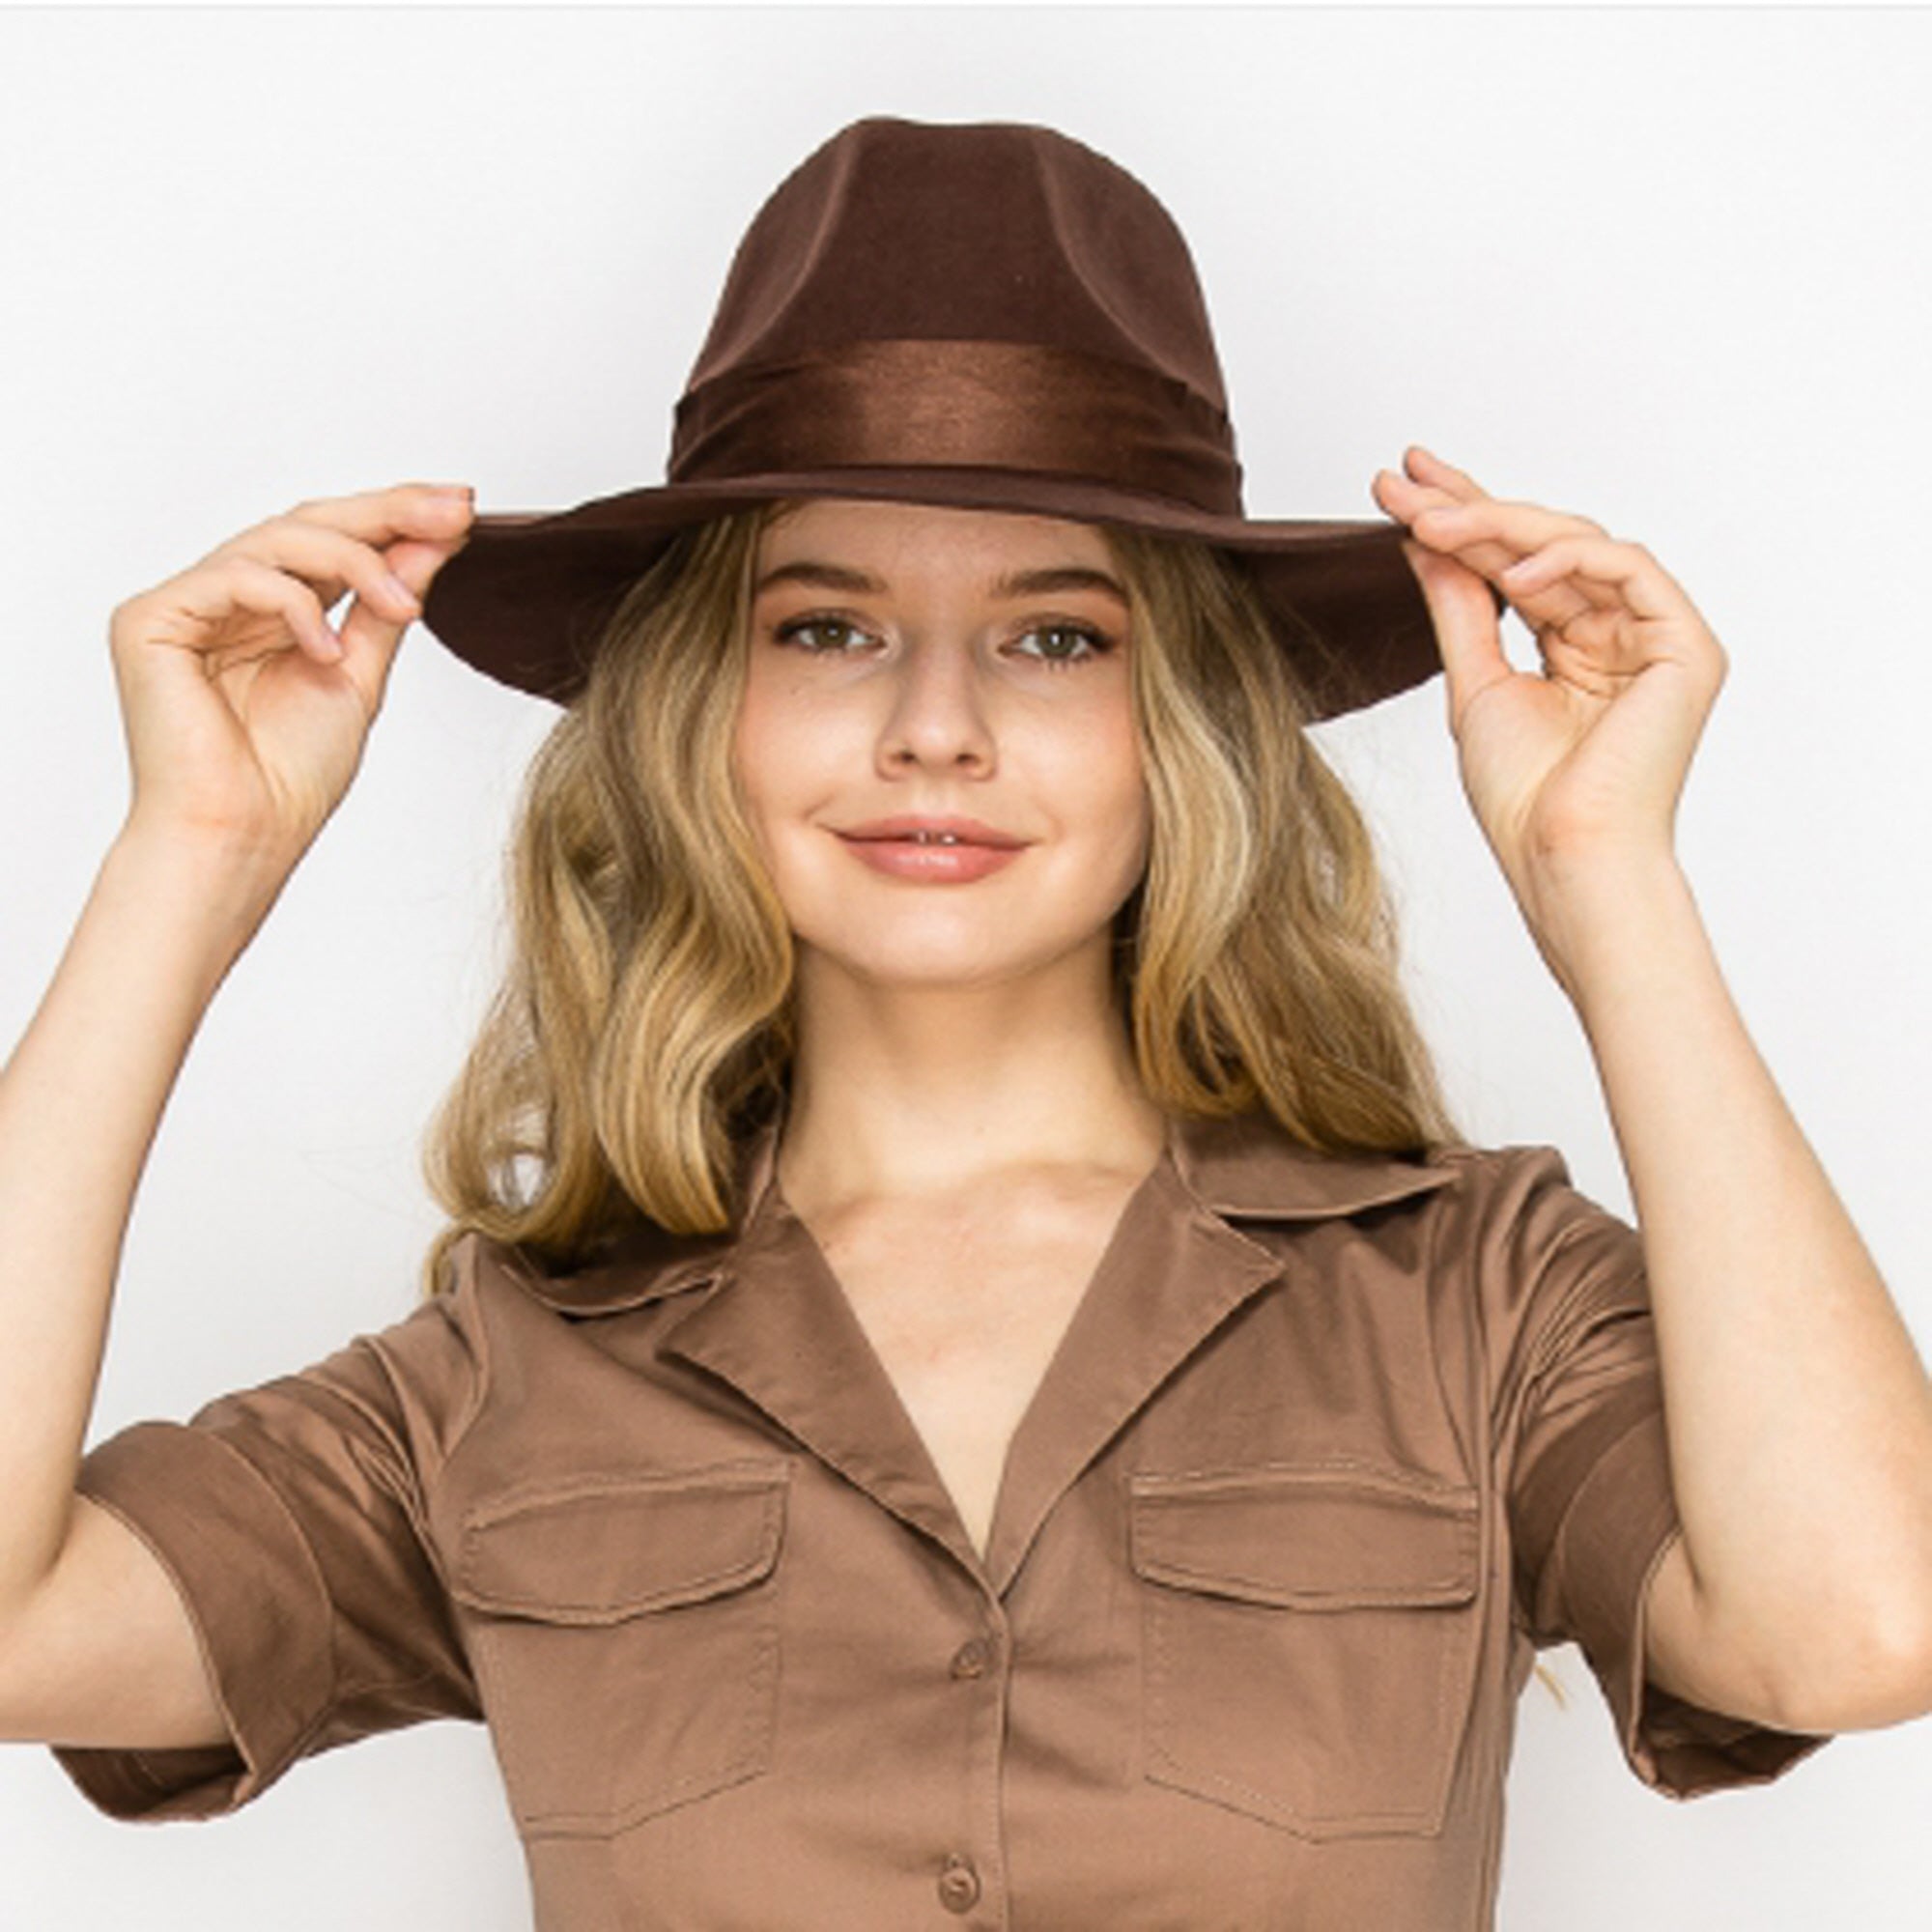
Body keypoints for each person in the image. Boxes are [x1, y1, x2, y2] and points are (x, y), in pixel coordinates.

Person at [2, 114, 1927, 1931]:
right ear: (704, 715)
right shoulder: (505, 1374)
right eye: (826, 625)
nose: (938, 724)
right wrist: (191, 855)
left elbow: (1853, 1624)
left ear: (1177, 722)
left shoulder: (1474, 1292)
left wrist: (1613, 889)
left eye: (1056, 634)